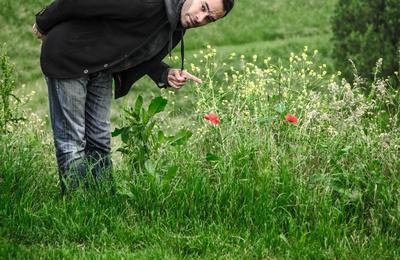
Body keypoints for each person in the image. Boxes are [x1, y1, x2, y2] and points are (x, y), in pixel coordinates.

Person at [32, 0, 234, 194]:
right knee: (72, 142)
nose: (200, 18)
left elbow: (139, 51)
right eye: (203, 7)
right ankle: (76, 204)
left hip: (100, 65)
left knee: (100, 140)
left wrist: (164, 73)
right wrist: (43, 22)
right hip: (70, 55)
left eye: (209, 18)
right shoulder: (145, 2)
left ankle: (102, 199)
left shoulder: (177, 22)